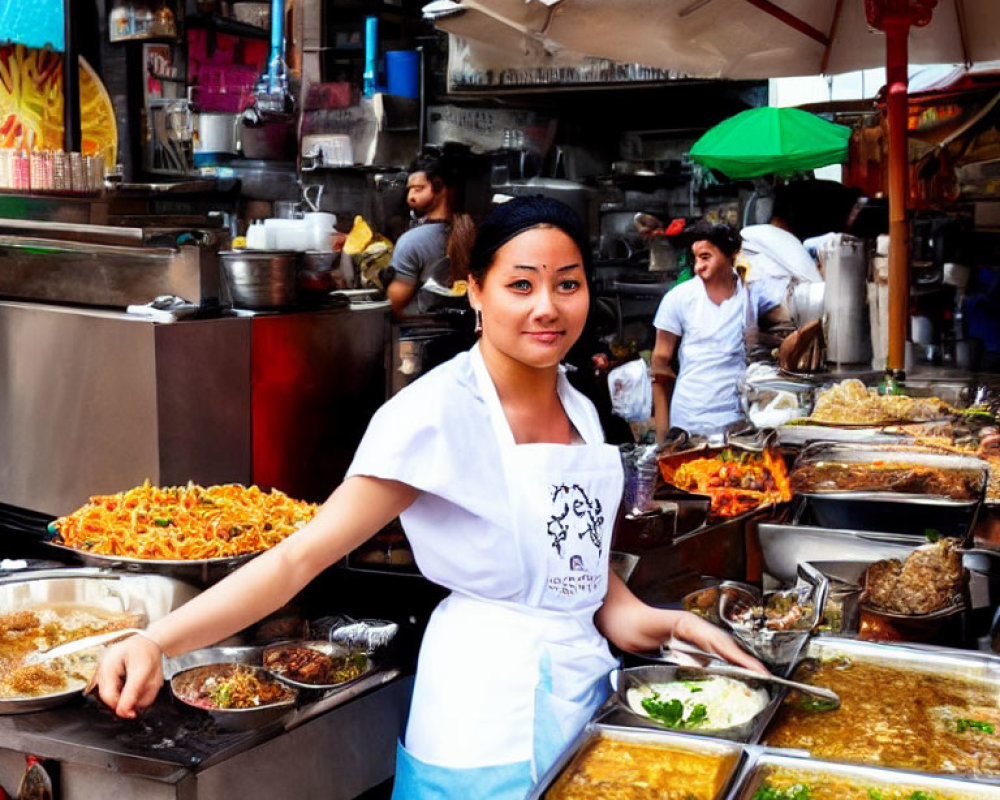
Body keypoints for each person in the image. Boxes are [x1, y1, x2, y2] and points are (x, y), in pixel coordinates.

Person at [95, 197, 764, 800]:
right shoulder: (434, 415)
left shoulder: (580, 407)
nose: (547, 307)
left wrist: (671, 625)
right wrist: (157, 640)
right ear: (475, 290)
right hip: (482, 726)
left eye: (568, 285)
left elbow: (587, 590)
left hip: (583, 704)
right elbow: (297, 560)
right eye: (521, 285)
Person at [651, 223, 788, 441]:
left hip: (736, 422)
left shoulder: (750, 292)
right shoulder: (679, 298)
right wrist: (662, 440)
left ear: (731, 256)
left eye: (706, 257)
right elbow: (659, 365)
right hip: (689, 420)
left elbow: (788, 315)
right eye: (695, 258)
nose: (698, 267)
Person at [386, 148, 476, 319]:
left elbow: (394, 305)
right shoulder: (474, 232)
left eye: (418, 189)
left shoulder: (411, 242)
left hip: (419, 333)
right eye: (409, 190)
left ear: (440, 188)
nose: (410, 197)